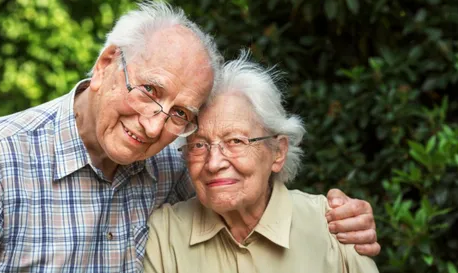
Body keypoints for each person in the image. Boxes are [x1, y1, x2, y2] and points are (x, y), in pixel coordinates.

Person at [0, 0, 378, 272]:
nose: (154, 127)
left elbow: (248, 185)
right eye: (149, 90)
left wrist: (341, 219)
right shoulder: (1, 160)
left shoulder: (177, 164)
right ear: (106, 64)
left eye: (180, 114)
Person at [143, 53, 379, 272]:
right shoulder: (165, 235)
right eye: (198, 145)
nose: (213, 163)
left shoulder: (335, 225)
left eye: (235, 141)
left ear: (278, 152)